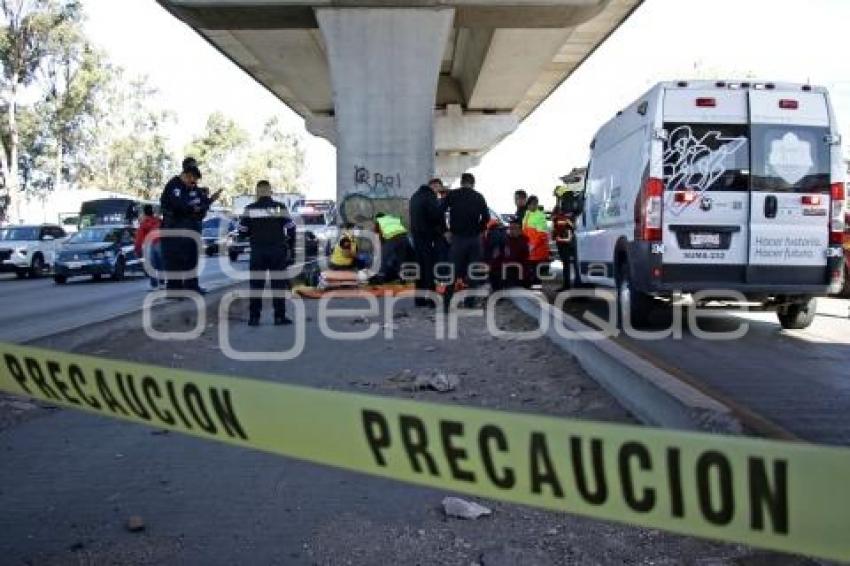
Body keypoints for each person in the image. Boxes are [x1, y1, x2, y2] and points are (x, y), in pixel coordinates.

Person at [239, 180, 297, 326]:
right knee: (278, 284)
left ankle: (254, 318)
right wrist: (290, 246)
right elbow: (291, 228)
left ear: (257, 192)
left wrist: (252, 232)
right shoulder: (279, 208)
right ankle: (279, 317)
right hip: (277, 251)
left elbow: (242, 232)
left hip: (258, 252)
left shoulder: (249, 209)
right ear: (270, 191)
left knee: (256, 285)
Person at [444, 172, 490, 309]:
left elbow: (440, 211)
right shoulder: (478, 196)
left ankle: (447, 304)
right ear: (473, 183)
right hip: (474, 240)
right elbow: (486, 218)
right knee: (473, 272)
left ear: (461, 182)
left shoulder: (453, 195)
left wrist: (446, 230)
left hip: (458, 239)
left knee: (453, 271)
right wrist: (479, 230)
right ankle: (470, 302)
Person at [159, 161, 206, 293]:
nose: (194, 182)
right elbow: (179, 206)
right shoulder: (174, 185)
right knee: (175, 260)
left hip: (190, 229)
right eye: (192, 178)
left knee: (191, 258)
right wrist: (192, 208)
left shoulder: (193, 188)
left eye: (196, 179)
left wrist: (200, 208)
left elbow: (202, 204)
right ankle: (174, 289)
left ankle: (192, 285)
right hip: (174, 230)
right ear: (186, 175)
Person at [409, 182, 446, 307]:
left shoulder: (415, 196)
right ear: (434, 186)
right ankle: (431, 300)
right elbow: (435, 215)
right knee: (429, 269)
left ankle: (419, 300)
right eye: (438, 190)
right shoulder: (429, 197)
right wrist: (442, 230)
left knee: (420, 269)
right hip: (427, 238)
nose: (438, 193)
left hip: (416, 238)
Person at [521, 195, 551, 286]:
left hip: (537, 250)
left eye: (534, 204)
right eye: (530, 205)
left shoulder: (540, 216)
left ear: (536, 204)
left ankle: (537, 293)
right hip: (529, 249)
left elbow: (542, 234)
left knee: (536, 275)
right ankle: (531, 292)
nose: (531, 206)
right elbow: (524, 229)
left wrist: (532, 246)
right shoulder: (527, 213)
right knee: (530, 274)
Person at [373, 212, 411, 283]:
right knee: (401, 259)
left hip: (392, 238)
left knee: (384, 257)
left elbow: (378, 236)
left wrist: (381, 247)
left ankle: (381, 277)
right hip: (404, 237)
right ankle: (402, 278)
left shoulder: (379, 221)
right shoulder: (393, 219)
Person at [135, 204, 162, 290]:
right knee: (161, 264)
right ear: (152, 211)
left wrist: (138, 250)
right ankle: (162, 282)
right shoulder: (159, 221)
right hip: (160, 243)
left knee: (151, 265)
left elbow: (139, 238)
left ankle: (154, 284)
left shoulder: (144, 223)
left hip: (150, 244)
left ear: (144, 212)